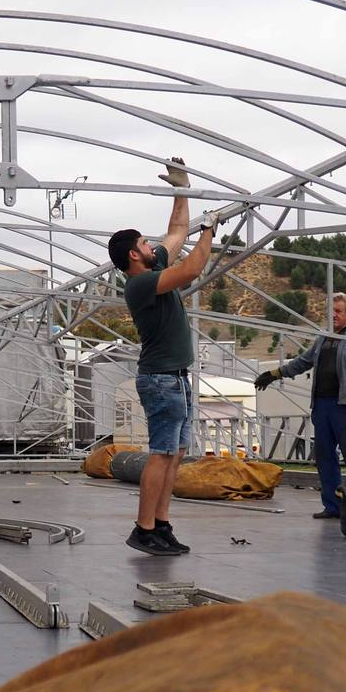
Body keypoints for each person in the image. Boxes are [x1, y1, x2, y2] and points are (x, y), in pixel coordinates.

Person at [107, 158, 219, 557]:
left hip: (176, 378)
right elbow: (192, 268)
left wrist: (182, 188)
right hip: (160, 379)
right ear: (134, 257)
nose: (151, 246)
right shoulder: (141, 285)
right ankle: (143, 528)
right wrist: (209, 230)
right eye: (142, 244)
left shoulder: (152, 267)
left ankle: (162, 523)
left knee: (176, 453)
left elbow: (175, 232)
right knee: (161, 453)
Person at [255, 293, 346, 519]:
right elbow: (303, 362)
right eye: (331, 312)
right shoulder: (323, 338)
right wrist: (275, 373)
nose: (334, 316)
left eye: (339, 311)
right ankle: (333, 506)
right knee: (325, 457)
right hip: (322, 405)